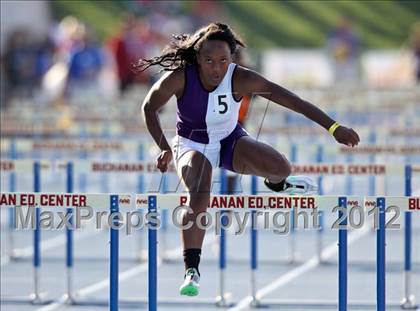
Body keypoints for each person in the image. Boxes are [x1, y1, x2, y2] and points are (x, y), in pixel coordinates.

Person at [139, 22, 360, 297]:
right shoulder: (182, 76)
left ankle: (279, 185)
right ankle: (191, 268)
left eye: (223, 61)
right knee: (200, 189)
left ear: (232, 59)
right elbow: (149, 106)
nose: (216, 68)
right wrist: (164, 147)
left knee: (281, 167)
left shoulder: (241, 78)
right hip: (191, 144)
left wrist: (333, 127)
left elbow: (293, 101)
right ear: (197, 58)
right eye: (209, 61)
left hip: (230, 141)